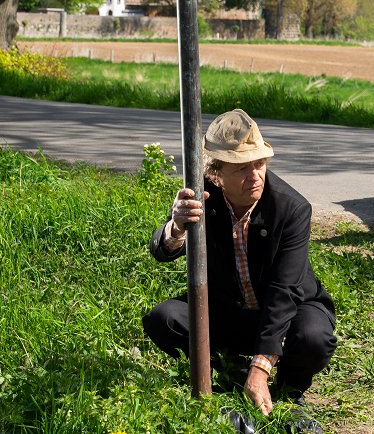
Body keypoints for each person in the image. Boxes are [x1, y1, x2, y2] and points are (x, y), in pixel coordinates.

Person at [142, 108, 336, 432]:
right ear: (215, 173)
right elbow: (162, 252)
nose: (256, 175)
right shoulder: (202, 195)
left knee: (313, 337)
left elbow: (283, 292)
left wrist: (260, 370)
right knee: (164, 319)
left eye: (259, 163)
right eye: (242, 167)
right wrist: (175, 227)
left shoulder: (292, 209)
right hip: (228, 311)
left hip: (287, 310)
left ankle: (289, 391)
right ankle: (218, 373)